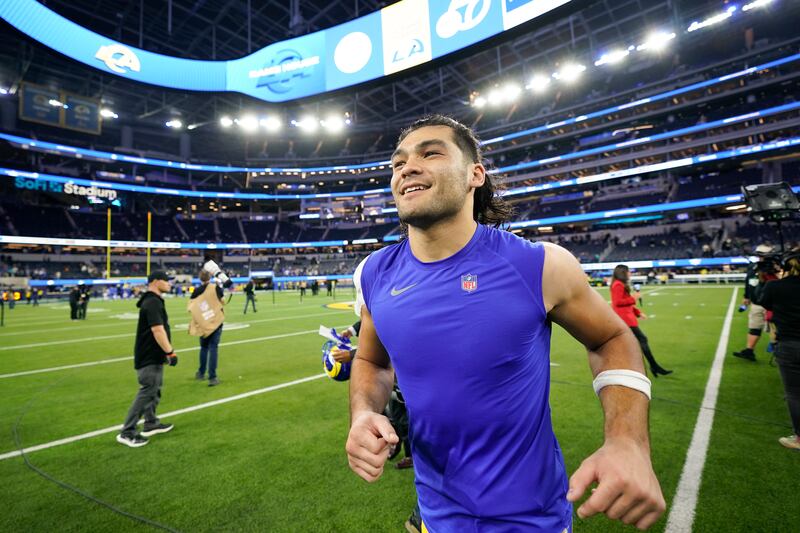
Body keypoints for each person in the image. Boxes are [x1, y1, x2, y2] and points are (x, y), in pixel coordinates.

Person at [345, 115, 665, 531]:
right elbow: (372, 362)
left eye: (431, 153)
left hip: (531, 520)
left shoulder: (538, 265)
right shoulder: (374, 274)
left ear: (475, 174)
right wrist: (363, 413)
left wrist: (628, 441)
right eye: (398, 162)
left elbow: (611, 337)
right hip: (435, 517)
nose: (407, 167)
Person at [117, 271, 177, 448]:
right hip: (149, 355)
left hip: (153, 354)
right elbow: (157, 330)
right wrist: (170, 352)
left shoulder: (153, 300)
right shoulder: (152, 302)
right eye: (166, 281)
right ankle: (127, 432)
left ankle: (150, 423)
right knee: (147, 390)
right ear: (156, 282)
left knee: (154, 389)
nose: (169, 284)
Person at [752, 249, 800, 450]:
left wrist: (764, 278)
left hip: (790, 344)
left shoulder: (776, 286)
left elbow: (760, 300)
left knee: (795, 393)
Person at [610, 265, 673, 377]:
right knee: (641, 340)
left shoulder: (620, 284)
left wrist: (638, 313)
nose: (630, 273)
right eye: (628, 271)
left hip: (627, 318)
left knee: (632, 343)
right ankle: (653, 366)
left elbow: (626, 303)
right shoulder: (617, 285)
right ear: (623, 272)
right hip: (625, 319)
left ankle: (649, 367)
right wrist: (634, 297)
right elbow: (618, 302)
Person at [733, 244, 778, 361]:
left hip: (773, 304)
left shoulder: (776, 268)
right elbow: (748, 281)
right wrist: (746, 296)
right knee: (754, 327)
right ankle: (749, 351)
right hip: (756, 302)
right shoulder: (753, 267)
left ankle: (780, 354)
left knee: (775, 329)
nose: (760, 257)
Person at [190, 270, 224, 386]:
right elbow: (223, 302)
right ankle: (212, 377)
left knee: (204, 348)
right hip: (215, 321)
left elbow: (192, 307)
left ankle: (201, 373)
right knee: (213, 348)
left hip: (203, 322)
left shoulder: (196, 290)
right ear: (210, 277)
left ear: (200, 278)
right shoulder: (215, 288)